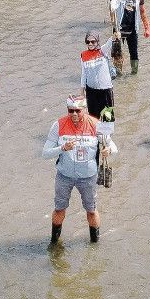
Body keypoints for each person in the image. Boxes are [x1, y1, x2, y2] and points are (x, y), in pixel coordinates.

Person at [42, 96, 117, 247]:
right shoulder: (58, 125)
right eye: (71, 111)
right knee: (59, 210)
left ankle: (95, 245)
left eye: (78, 111)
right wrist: (62, 148)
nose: (74, 114)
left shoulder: (96, 124)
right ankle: (54, 243)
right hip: (64, 176)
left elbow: (114, 148)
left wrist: (108, 150)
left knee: (91, 210)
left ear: (84, 110)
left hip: (88, 178)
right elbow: (45, 153)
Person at [96, 0, 150, 74]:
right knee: (117, 54)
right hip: (118, 30)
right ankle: (118, 74)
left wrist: (147, 28)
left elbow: (143, 12)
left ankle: (134, 75)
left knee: (134, 54)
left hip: (133, 30)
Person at [79, 30, 115, 120]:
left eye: (93, 41)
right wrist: (82, 92)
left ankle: (107, 134)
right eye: (88, 42)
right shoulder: (83, 55)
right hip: (91, 91)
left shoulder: (103, 51)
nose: (90, 44)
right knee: (93, 118)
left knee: (108, 117)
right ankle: (95, 134)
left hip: (105, 90)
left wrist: (115, 36)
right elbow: (84, 74)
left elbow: (110, 42)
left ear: (97, 41)